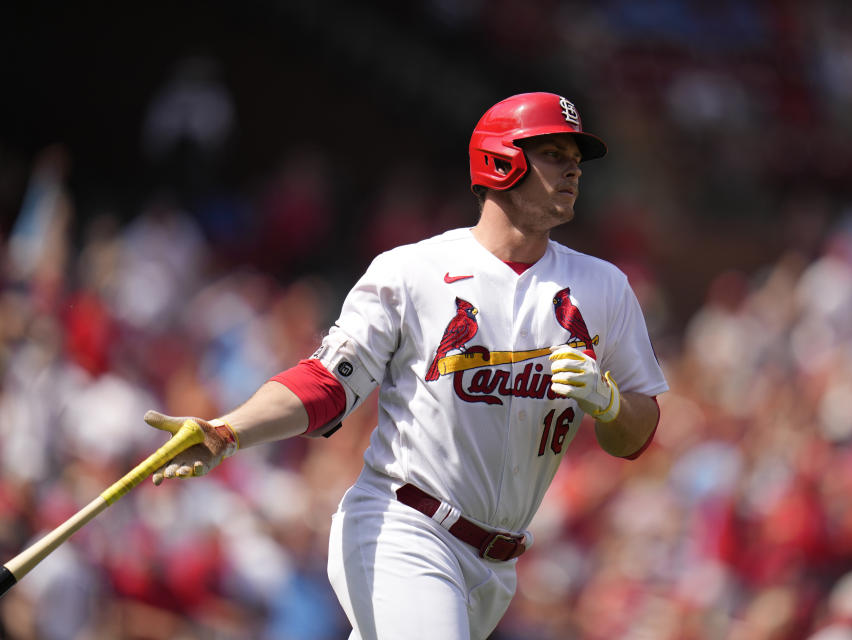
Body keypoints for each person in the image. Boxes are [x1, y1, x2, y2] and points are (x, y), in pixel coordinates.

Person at [146, 92, 669, 639]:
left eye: (576, 160)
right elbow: (327, 383)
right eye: (555, 155)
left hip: (497, 565)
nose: (573, 172)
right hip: (405, 528)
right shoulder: (414, 270)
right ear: (501, 159)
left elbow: (636, 435)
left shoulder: (604, 287)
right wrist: (227, 431)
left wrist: (608, 403)